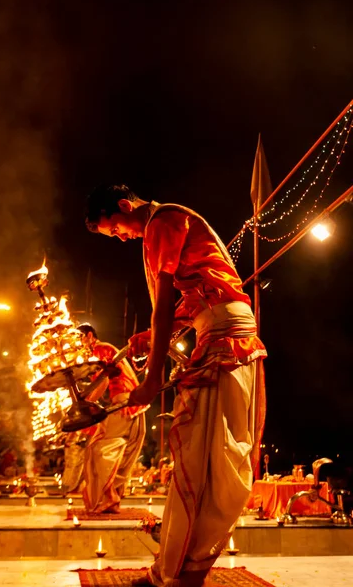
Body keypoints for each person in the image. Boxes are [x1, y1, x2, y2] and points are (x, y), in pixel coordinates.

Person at [85, 184, 267, 586]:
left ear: (124, 206)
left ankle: (179, 572)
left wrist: (151, 379)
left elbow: (164, 304)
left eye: (115, 229)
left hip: (223, 334)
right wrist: (152, 340)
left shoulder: (161, 223)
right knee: (210, 459)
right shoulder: (173, 219)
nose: (122, 237)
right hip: (226, 329)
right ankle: (178, 568)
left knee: (200, 461)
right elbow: (193, 298)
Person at [77, 323, 148, 513]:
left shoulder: (99, 349)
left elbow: (102, 381)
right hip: (131, 404)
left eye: (79, 339)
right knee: (116, 449)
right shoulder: (104, 349)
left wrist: (81, 403)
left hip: (124, 403)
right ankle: (112, 499)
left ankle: (109, 496)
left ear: (89, 336)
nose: (78, 345)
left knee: (98, 448)